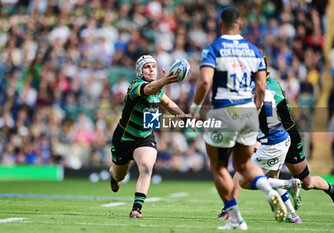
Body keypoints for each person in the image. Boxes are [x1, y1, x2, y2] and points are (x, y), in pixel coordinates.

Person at [190, 8, 286, 230]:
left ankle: (236, 218)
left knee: (218, 166)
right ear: (240, 26)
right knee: (243, 164)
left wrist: (194, 110)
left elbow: (205, 82)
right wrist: (254, 110)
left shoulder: (213, 48)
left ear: (221, 26)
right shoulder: (254, 50)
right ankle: (269, 190)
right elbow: (261, 86)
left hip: (224, 111)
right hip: (248, 113)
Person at [109, 55, 187, 218]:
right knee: (119, 176)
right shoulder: (136, 86)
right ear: (140, 71)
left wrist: (184, 116)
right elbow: (149, 89)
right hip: (124, 138)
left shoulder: (158, 90)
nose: (151, 69)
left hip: (144, 138)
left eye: (153, 66)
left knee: (146, 166)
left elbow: (169, 104)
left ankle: (136, 209)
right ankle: (113, 175)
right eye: (147, 67)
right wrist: (164, 81)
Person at [265, 65, 334, 214]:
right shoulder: (255, 85)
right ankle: (290, 212)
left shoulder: (270, 86)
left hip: (287, 136)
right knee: (264, 177)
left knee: (307, 183)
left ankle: (332, 190)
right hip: (270, 138)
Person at [226, 82, 302, 224]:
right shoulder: (265, 90)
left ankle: (289, 184)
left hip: (272, 145)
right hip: (283, 139)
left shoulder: (251, 97)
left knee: (244, 180)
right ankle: (292, 215)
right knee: (273, 179)